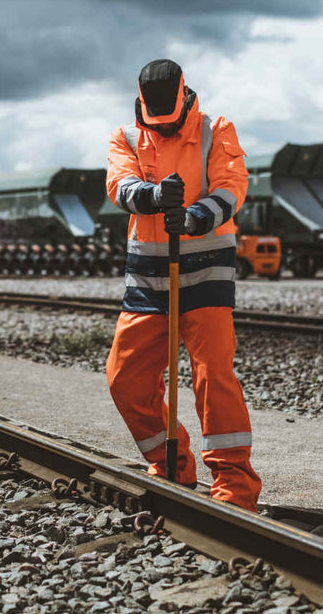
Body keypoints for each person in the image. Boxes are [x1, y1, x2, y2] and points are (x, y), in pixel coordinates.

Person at [105, 59, 261, 512]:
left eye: (172, 119)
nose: (166, 127)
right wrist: (153, 197)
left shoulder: (217, 130)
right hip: (148, 279)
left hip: (207, 271)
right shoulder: (127, 136)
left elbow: (233, 188)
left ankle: (234, 484)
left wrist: (194, 217)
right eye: (159, 121)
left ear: (185, 97)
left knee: (213, 375)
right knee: (125, 378)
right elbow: (119, 185)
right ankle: (170, 462)